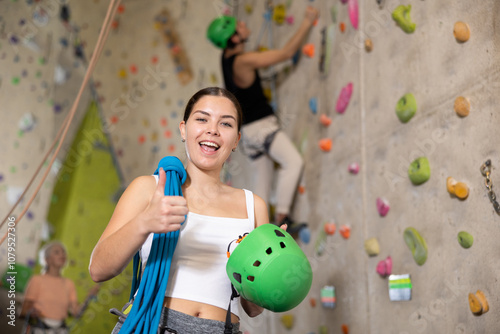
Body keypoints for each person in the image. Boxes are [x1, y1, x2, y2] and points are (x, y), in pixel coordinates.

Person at [89, 87, 274, 334]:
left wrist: (268, 263)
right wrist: (144, 223)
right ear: (183, 130)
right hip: (153, 325)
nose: (213, 130)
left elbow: (253, 308)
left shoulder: (254, 206)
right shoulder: (150, 189)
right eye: (202, 119)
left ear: (237, 140)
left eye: (226, 124)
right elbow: (99, 269)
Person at [207, 6, 319, 227]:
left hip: (248, 133)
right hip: (260, 127)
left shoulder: (226, 58)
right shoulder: (243, 61)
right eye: (238, 26)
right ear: (234, 38)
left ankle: (257, 228)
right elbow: (286, 54)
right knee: (293, 162)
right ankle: (283, 216)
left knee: (263, 182)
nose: (244, 24)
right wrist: (307, 21)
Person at [20, 241, 99, 334]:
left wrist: (89, 297)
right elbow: (23, 312)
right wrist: (32, 313)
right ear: (47, 259)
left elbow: (77, 313)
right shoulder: (36, 280)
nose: (62, 255)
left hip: (61, 330)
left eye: (63, 252)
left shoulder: (69, 283)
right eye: (57, 252)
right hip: (39, 330)